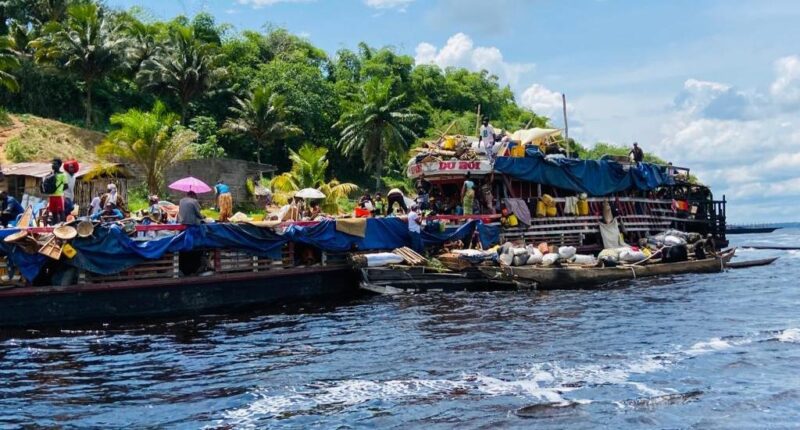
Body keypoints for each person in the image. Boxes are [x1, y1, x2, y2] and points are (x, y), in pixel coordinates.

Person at [45, 158, 68, 224]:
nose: (53, 165)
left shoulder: (63, 175)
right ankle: (55, 226)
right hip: (52, 196)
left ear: (59, 165)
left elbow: (66, 186)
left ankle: (63, 226)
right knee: (54, 212)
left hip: (59, 196)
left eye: (55, 164)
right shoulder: (50, 175)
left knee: (61, 212)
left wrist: (59, 190)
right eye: (53, 164)